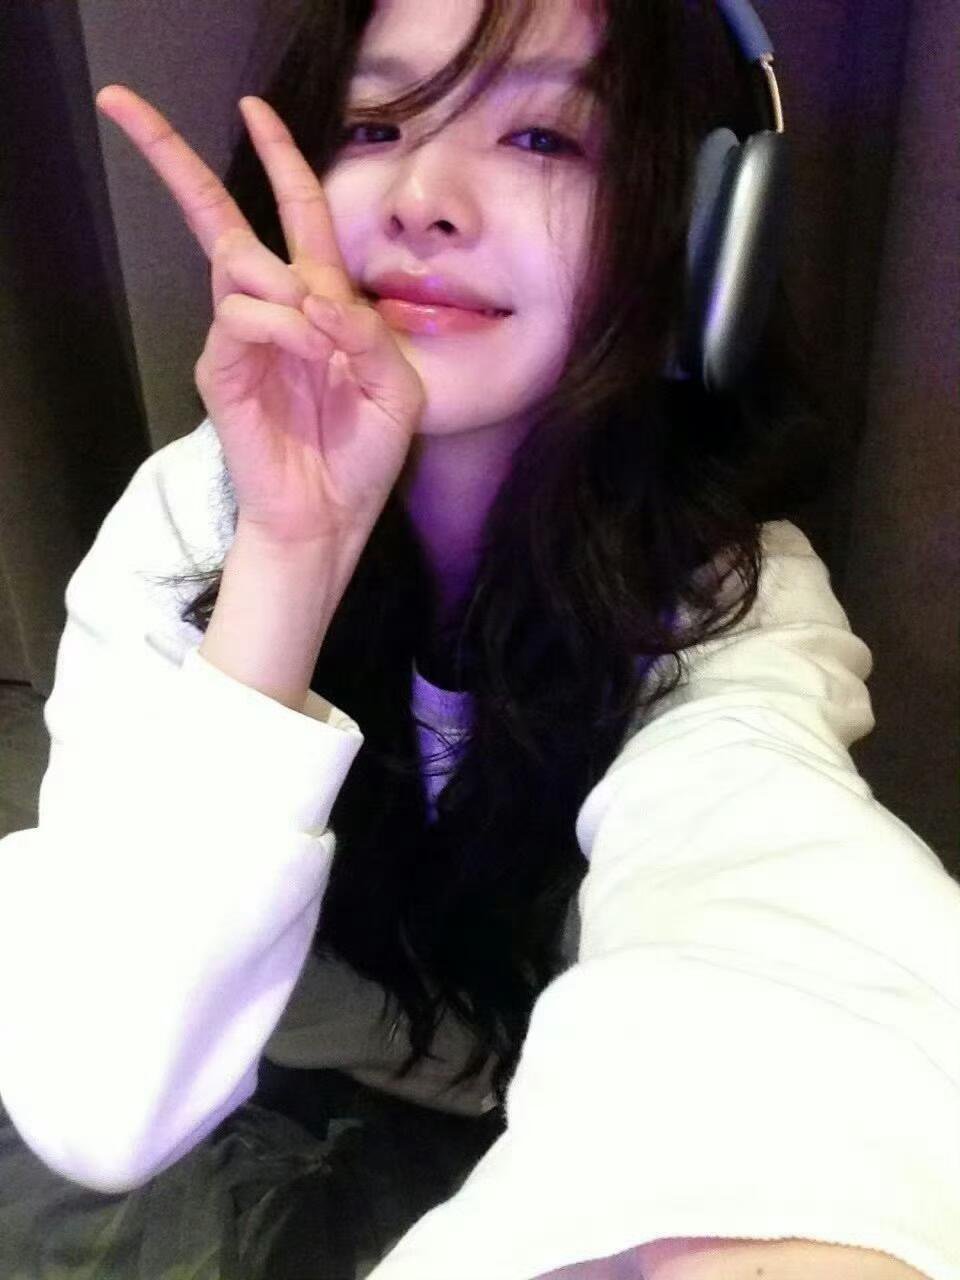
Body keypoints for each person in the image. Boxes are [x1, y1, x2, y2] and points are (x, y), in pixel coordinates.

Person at [0, 0, 956, 1277]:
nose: (424, 200)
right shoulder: (193, 517)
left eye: (546, 139)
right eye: (374, 122)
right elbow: (98, 1099)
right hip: (254, 1091)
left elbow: (777, 912)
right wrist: (290, 561)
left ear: (701, 233)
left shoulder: (727, 597)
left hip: (570, 1131)